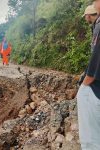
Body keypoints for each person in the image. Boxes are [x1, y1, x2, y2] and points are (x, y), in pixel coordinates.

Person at [77, 3, 100, 150]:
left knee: (83, 96)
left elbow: (97, 56)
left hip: (96, 81)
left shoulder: (98, 27)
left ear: (88, 15)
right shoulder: (96, 26)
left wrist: (87, 79)